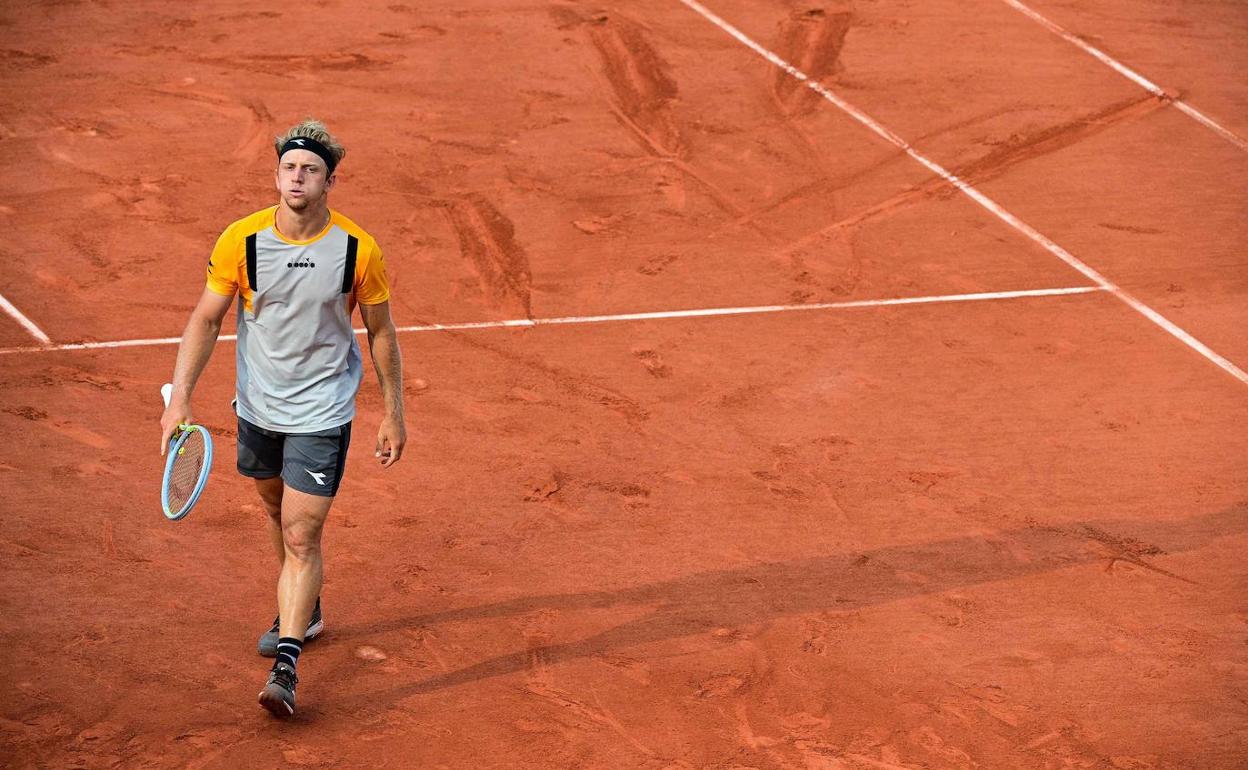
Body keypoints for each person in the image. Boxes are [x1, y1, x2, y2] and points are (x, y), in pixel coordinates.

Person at [159, 118, 406, 718]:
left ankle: (288, 664)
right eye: (290, 167)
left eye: (311, 170)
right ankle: (310, 607)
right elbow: (206, 319)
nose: (298, 177)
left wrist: (393, 412)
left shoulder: (356, 249)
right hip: (258, 406)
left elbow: (380, 332)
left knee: (302, 533)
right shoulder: (241, 241)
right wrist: (180, 398)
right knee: (273, 509)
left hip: (323, 408)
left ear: (330, 182)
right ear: (277, 175)